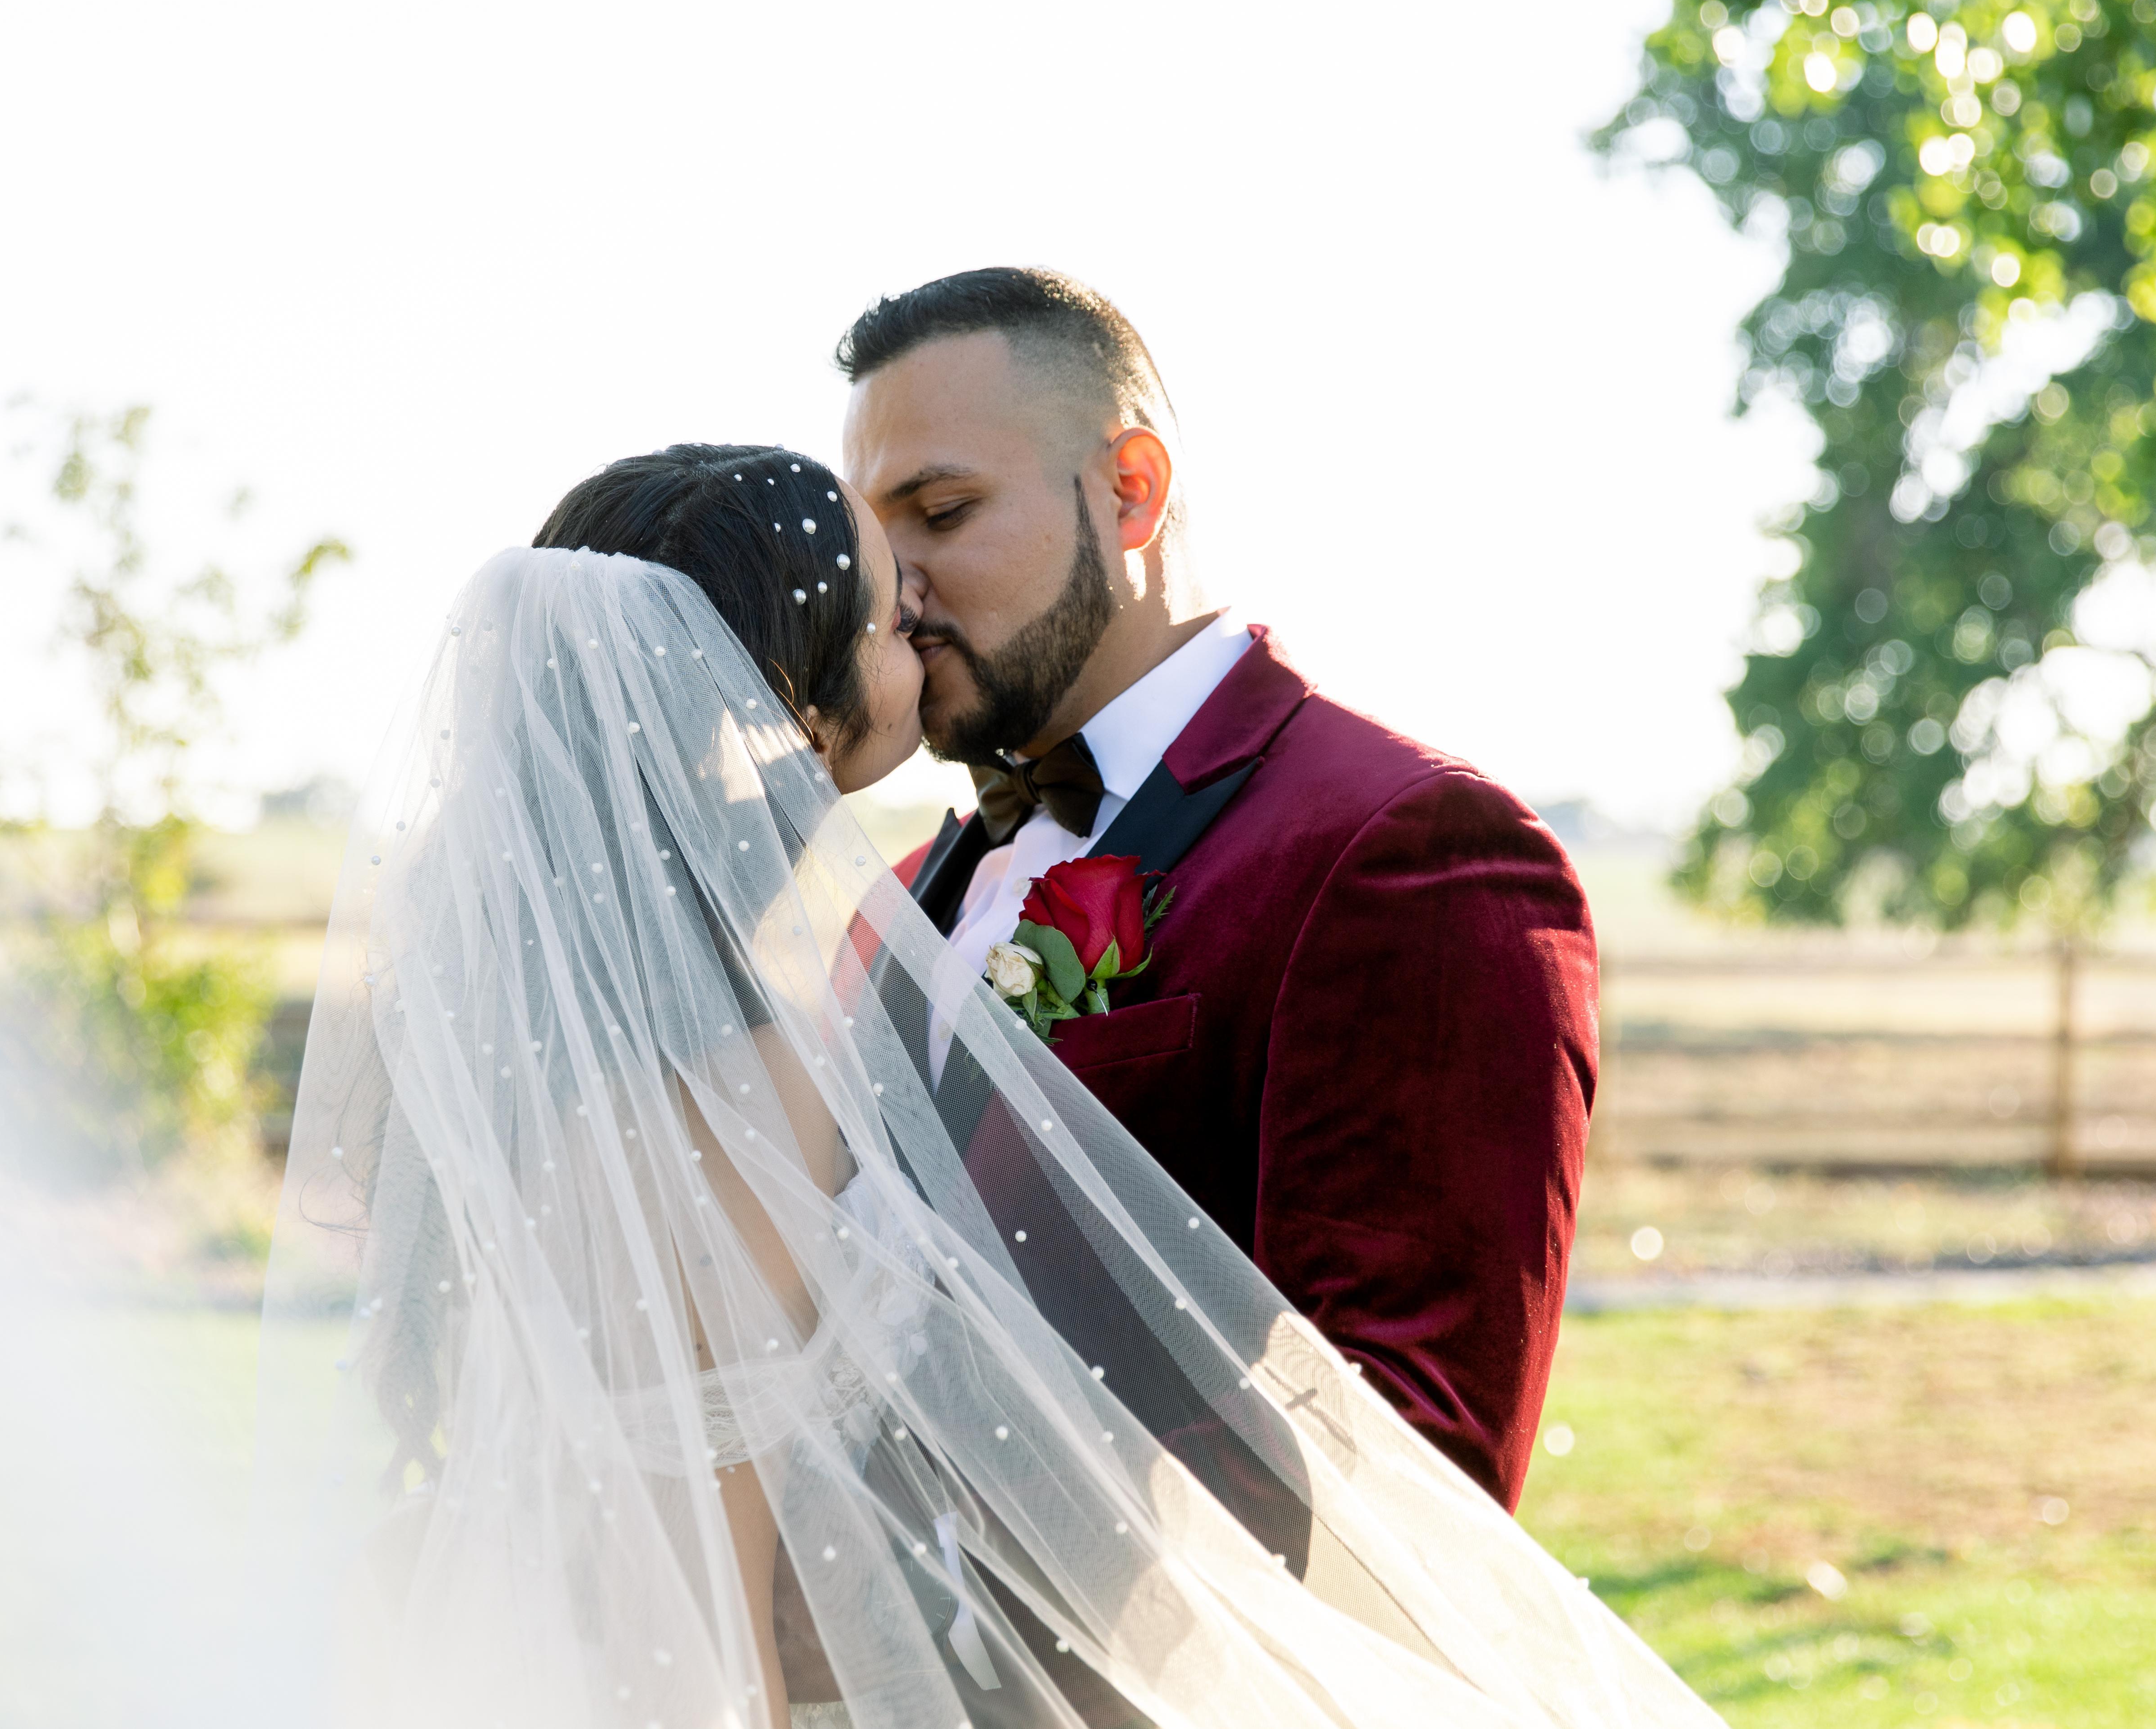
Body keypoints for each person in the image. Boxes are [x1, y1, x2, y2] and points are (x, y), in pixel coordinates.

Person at [251, 446, 1707, 1729]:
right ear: (786, 702)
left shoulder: (531, 1042)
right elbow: (715, 1534)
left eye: (940, 521)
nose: (921, 611)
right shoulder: (754, 1073)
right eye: (886, 609)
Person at [841, 269, 1596, 1514]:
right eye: (879, 542)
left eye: (943, 511)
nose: (898, 588)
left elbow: (1403, 1474)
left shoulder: (1407, 846)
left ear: (1130, 490)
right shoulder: (915, 892)